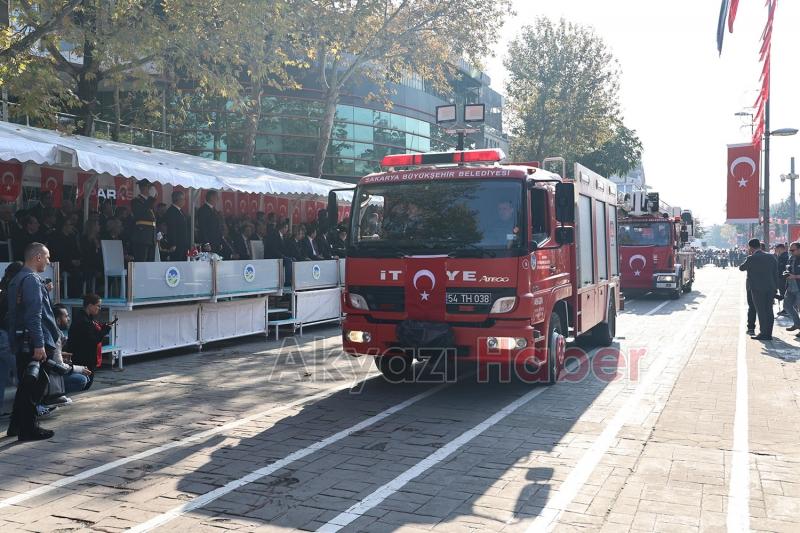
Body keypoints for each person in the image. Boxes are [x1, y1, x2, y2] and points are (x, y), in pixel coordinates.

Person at [6, 243, 60, 441]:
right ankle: (28, 428)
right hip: (33, 341)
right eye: (47, 257)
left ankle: (17, 425)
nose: (48, 261)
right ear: (37, 257)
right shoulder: (30, 280)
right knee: (35, 384)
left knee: (28, 383)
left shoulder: (18, 279)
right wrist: (39, 344)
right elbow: (33, 315)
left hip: (22, 339)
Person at [739, 238, 779, 340]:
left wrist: (749, 256)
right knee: (769, 310)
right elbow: (776, 273)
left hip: (757, 289)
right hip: (770, 287)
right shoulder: (771, 257)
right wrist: (776, 288)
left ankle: (763, 333)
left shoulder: (751, 258)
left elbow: (741, 268)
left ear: (751, 247)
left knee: (761, 311)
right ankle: (768, 333)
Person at [66, 293, 114, 374]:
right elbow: (94, 339)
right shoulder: (83, 320)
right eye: (98, 306)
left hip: (85, 357)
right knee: (85, 381)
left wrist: (103, 327)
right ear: (90, 305)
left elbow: (92, 331)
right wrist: (105, 330)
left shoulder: (87, 317)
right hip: (83, 359)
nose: (99, 308)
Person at [47, 218, 83, 298]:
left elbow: (76, 251)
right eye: (71, 225)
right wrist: (71, 261)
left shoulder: (72, 237)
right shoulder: (56, 237)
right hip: (60, 262)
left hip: (71, 262)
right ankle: (73, 296)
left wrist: (78, 259)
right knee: (75, 273)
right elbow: (58, 253)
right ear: (64, 226)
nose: (72, 227)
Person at [130, 180, 157, 262]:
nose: (152, 190)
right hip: (142, 236)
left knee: (150, 261)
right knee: (142, 260)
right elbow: (141, 213)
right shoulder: (136, 201)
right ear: (144, 188)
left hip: (151, 236)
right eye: (150, 187)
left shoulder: (148, 201)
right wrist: (151, 198)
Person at [163, 190, 190, 261]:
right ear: (178, 200)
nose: (184, 201)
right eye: (183, 199)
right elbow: (172, 228)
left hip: (183, 244)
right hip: (177, 245)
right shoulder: (172, 211)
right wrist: (173, 244)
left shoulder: (180, 211)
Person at [782, 242, 800, 335]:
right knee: (787, 306)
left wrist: (795, 276)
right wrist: (786, 273)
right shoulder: (791, 258)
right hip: (790, 286)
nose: (791, 252)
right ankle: (797, 324)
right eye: (790, 250)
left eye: (793, 250)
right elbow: (788, 269)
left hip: (798, 287)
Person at [775, 243, 790, 316]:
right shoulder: (782, 256)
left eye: (777, 249)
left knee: (784, 294)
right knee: (783, 293)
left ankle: (786, 309)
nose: (776, 251)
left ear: (780, 248)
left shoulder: (785, 256)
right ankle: (786, 309)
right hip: (782, 278)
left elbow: (782, 268)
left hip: (783, 278)